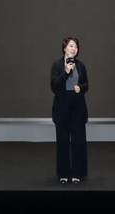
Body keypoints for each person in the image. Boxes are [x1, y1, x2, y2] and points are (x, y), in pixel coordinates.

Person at [50, 36, 88, 184]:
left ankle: (78, 173)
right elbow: (54, 86)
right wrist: (66, 71)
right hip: (62, 108)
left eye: (76, 46)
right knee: (63, 141)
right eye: (71, 46)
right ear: (64, 48)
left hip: (78, 108)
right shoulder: (57, 65)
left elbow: (86, 84)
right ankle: (63, 174)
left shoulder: (81, 65)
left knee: (78, 141)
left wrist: (81, 88)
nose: (74, 48)